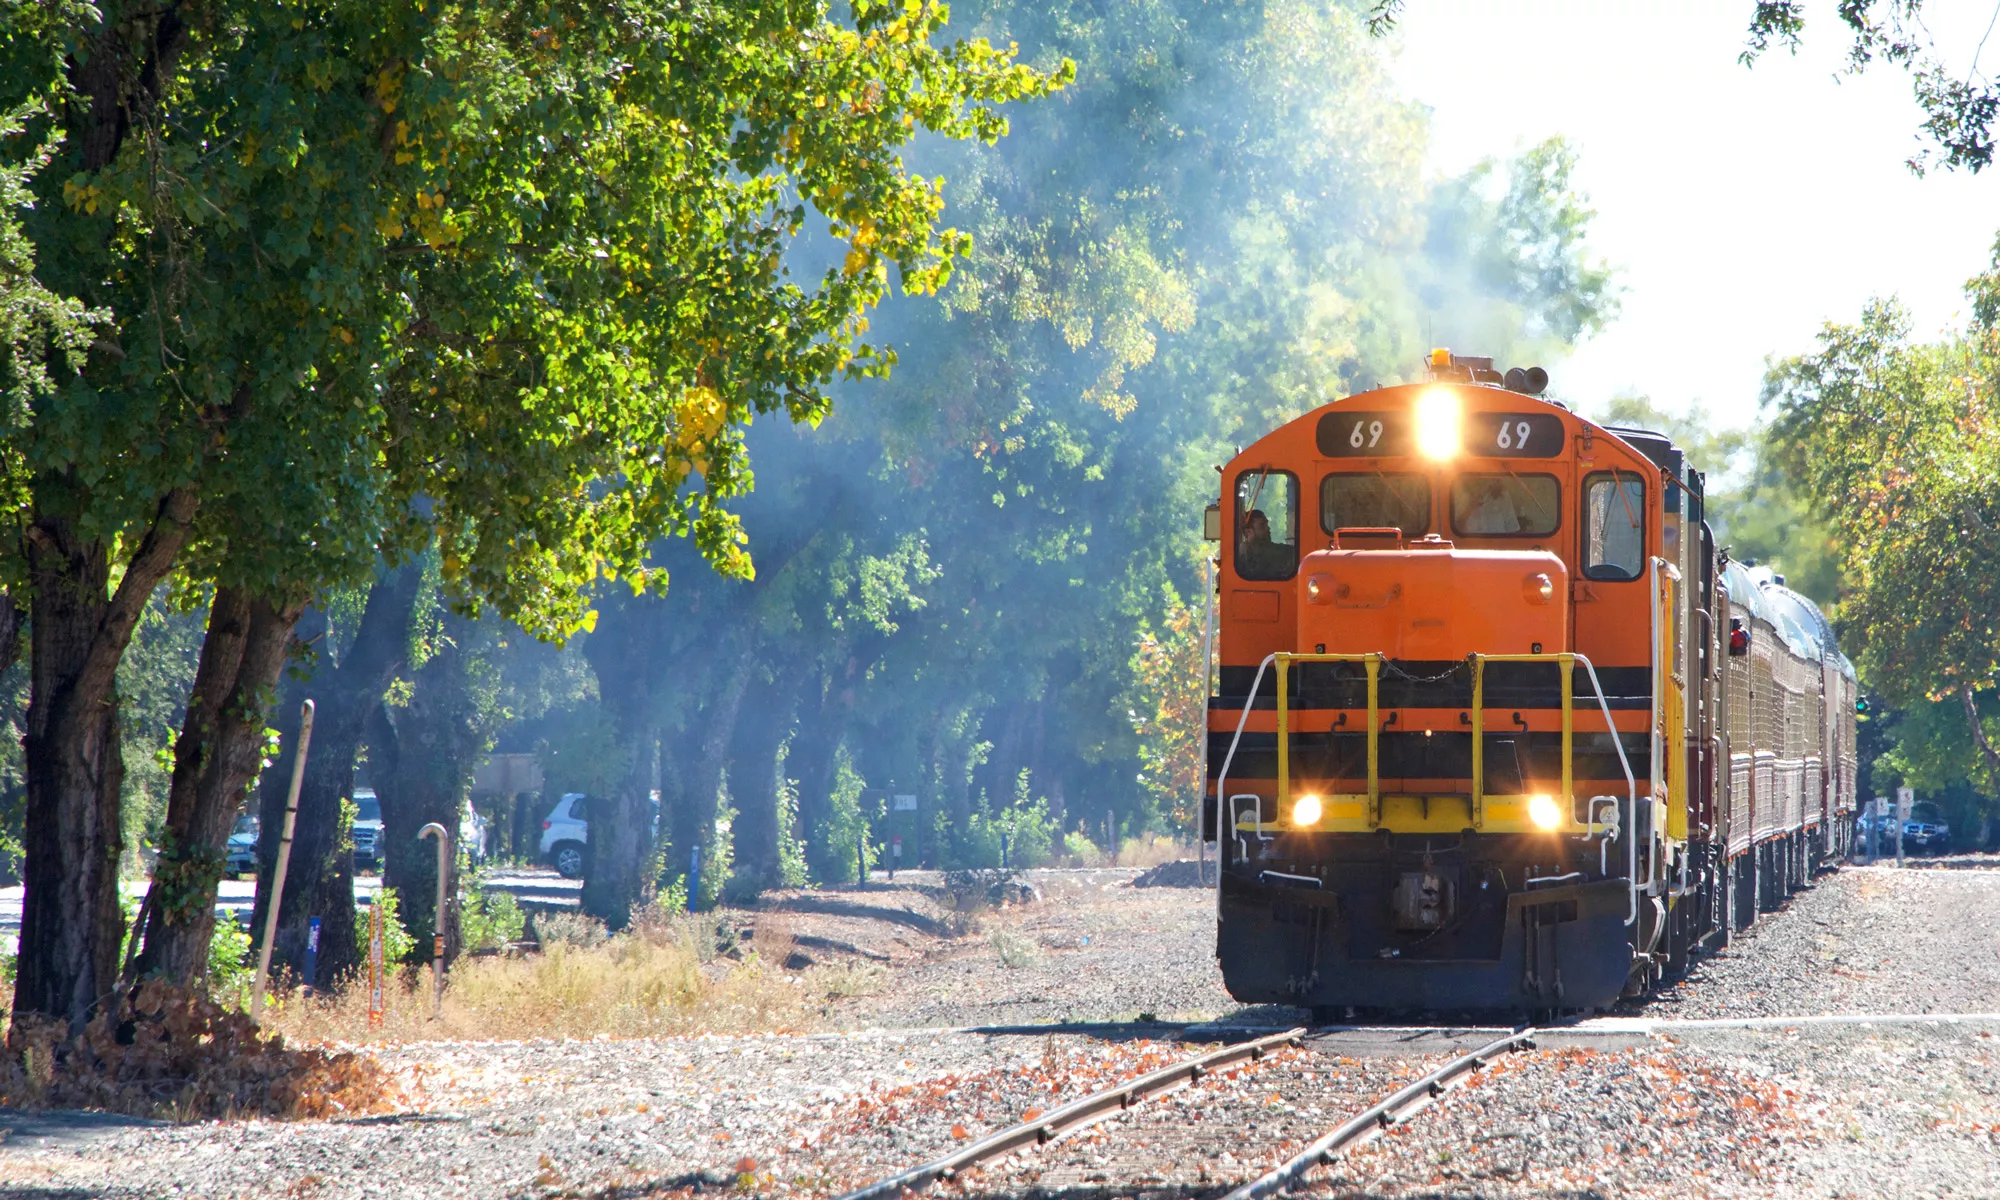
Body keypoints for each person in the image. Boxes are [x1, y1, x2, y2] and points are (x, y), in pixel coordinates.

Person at [1238, 508, 1295, 576]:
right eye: (1262, 525)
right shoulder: (1240, 557)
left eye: (1267, 524)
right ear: (1249, 532)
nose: (1268, 528)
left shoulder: (1277, 551)